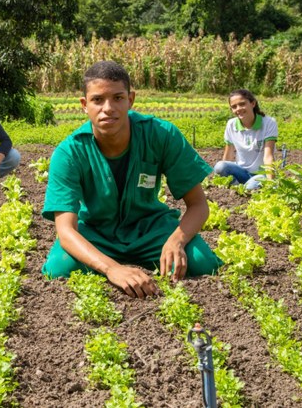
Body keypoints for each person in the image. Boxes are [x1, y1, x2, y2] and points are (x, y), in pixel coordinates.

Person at [41, 60, 222, 298]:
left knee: (203, 263)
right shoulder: (70, 152)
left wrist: (177, 241)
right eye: (97, 100)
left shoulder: (161, 134)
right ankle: (108, 260)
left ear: (131, 99)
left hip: (151, 229)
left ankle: (149, 253)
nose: (108, 108)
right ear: (84, 105)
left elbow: (198, 205)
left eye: (117, 98)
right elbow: (66, 231)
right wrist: (112, 268)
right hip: (97, 233)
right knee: (58, 269)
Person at [214, 89, 278, 190]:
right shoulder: (231, 124)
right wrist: (222, 178)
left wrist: (271, 184)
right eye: (234, 107)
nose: (238, 109)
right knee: (219, 166)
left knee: (250, 188)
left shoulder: (268, 123)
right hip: (241, 172)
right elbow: (228, 155)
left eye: (242, 104)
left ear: (252, 103)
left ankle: (245, 188)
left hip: (261, 175)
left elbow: (268, 157)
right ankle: (237, 189)